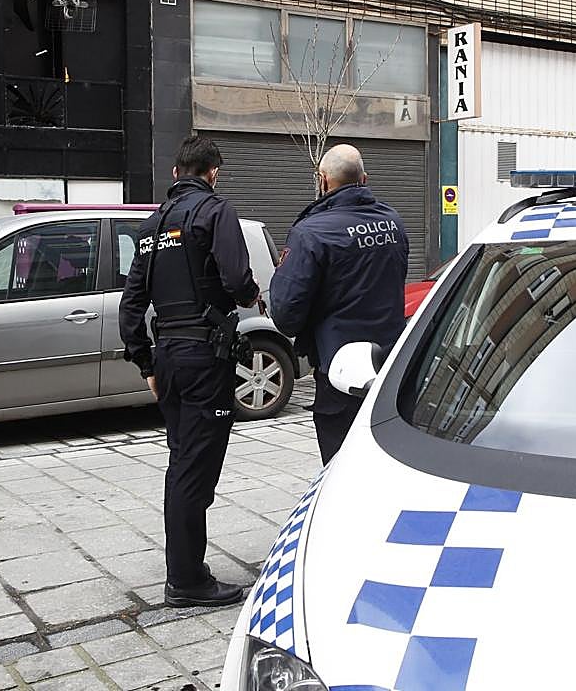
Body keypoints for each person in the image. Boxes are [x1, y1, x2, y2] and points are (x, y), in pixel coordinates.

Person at [119, 137, 259, 608]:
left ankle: (185, 568)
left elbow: (132, 304)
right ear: (212, 172)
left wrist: (145, 363)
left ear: (177, 171)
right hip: (204, 356)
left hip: (168, 358)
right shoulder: (215, 212)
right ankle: (186, 579)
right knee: (194, 469)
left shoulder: (151, 226)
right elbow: (238, 280)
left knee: (181, 460)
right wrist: (247, 296)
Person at [269, 144, 409, 464]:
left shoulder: (310, 232)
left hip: (340, 372)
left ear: (322, 180)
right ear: (364, 178)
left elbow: (285, 313)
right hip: (390, 364)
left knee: (342, 468)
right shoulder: (393, 222)